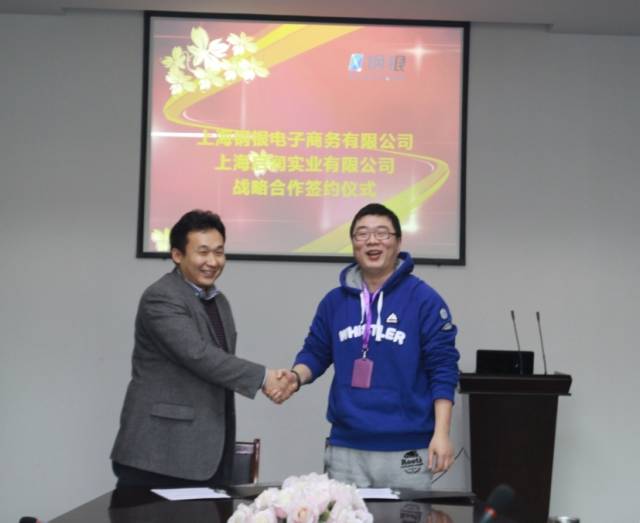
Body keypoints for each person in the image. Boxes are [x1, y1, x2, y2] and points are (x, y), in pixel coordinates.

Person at [111, 210, 296, 487]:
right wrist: (264, 378)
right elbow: (198, 355)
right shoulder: (161, 297)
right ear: (177, 255)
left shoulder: (219, 301)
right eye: (203, 252)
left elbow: (219, 366)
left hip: (205, 454)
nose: (213, 261)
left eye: (219, 252)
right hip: (159, 453)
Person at [290, 203, 460, 489]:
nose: (372, 241)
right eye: (362, 234)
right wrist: (294, 377)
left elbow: (443, 369)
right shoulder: (334, 302)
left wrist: (441, 434)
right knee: (342, 513)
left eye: (382, 233)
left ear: (398, 242)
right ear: (353, 243)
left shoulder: (424, 300)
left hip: (407, 449)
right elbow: (315, 352)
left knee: (407, 514)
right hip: (346, 448)